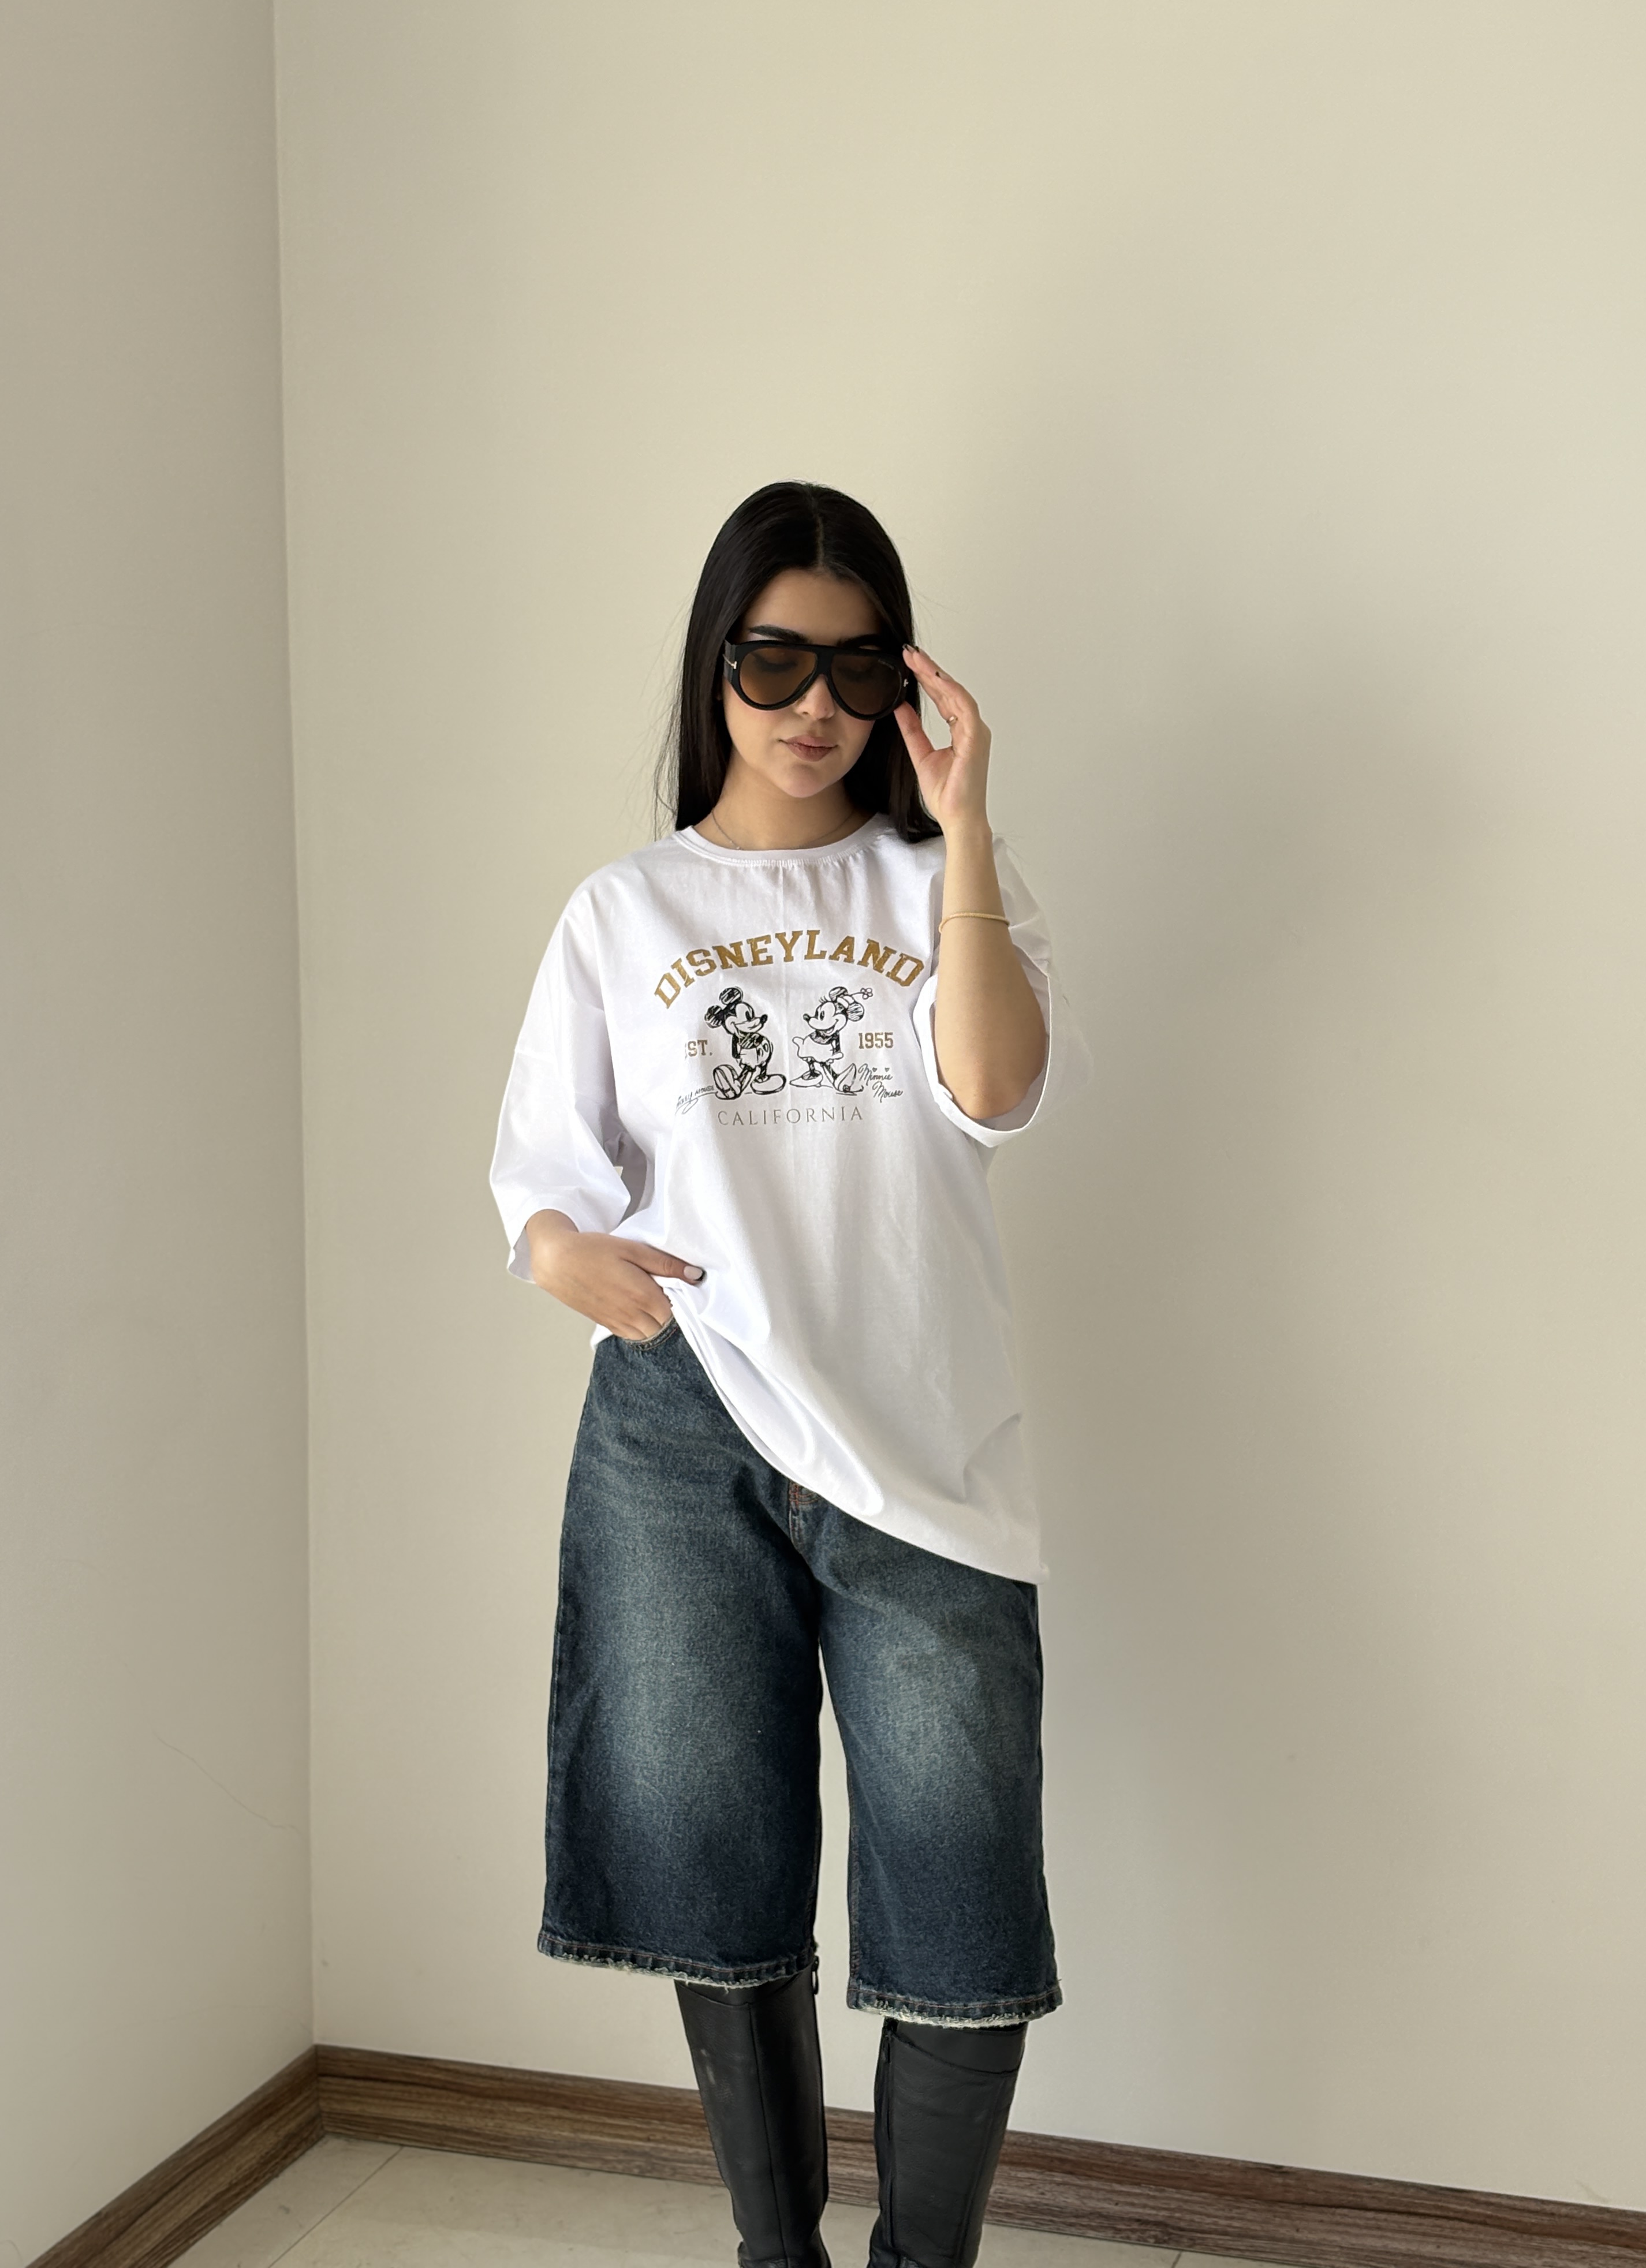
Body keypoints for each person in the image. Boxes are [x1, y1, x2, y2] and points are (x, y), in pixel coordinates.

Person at [490, 481, 1091, 2268]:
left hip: (920, 1435)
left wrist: (965, 824)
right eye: (773, 660)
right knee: (717, 1872)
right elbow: (543, 1174)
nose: (813, 703)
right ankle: (779, 2257)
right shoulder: (625, 910)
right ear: (717, 666)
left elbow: (994, 1090)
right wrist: (561, 1254)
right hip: (685, 1429)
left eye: (854, 666)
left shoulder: (937, 880)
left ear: (903, 685)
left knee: (963, 1892)